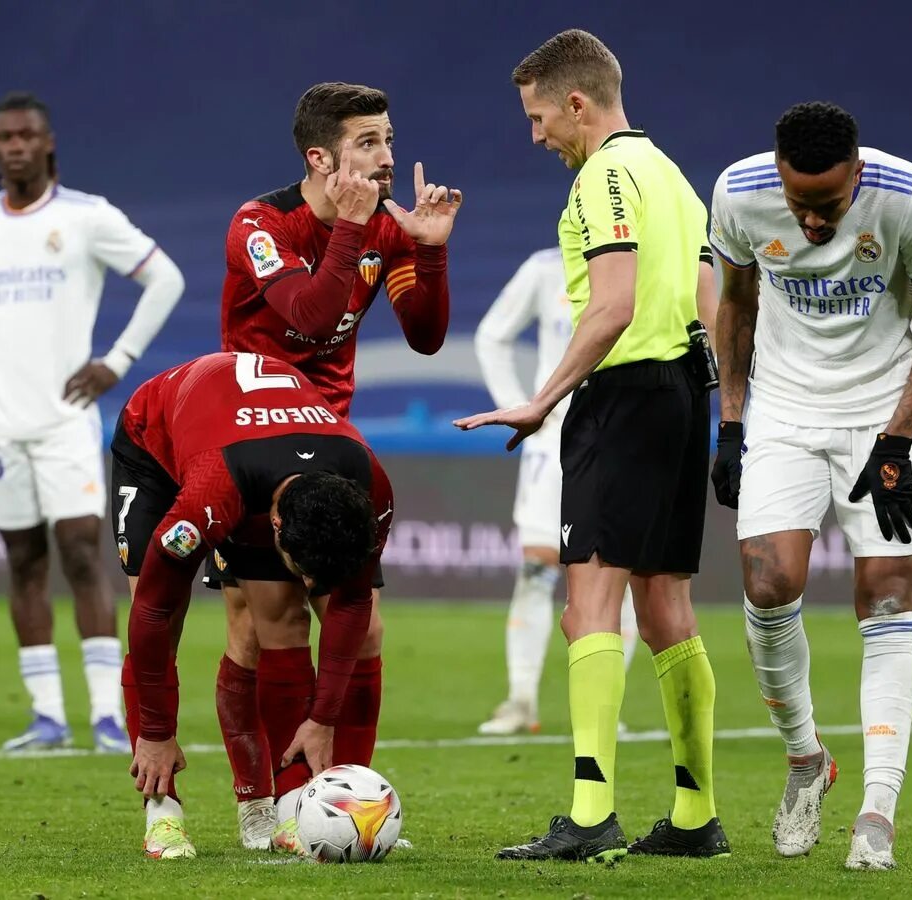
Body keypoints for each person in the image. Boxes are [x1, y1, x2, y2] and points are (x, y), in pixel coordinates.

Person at [456, 29, 728, 861]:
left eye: (539, 117)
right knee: (666, 607)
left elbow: (609, 307)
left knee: (587, 606)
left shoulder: (605, 176)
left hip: (625, 395)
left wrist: (543, 400)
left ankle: (588, 813)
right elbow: (711, 296)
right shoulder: (673, 177)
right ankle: (694, 817)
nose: (536, 135)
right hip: (684, 392)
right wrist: (717, 407)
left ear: (577, 103)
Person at [708, 101, 912, 871]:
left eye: (828, 207)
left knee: (886, 594)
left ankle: (878, 813)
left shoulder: (908, 196)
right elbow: (735, 305)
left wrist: (895, 438)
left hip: (881, 407)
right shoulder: (738, 192)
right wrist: (731, 423)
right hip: (785, 409)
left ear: (857, 175)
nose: (814, 225)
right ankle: (804, 760)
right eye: (800, 207)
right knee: (767, 582)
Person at [206, 81, 461, 850]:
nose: (387, 159)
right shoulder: (259, 225)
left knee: (365, 628)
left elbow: (424, 335)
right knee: (268, 624)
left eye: (387, 140)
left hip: (330, 441)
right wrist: (356, 231)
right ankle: (282, 808)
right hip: (251, 441)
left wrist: (430, 248)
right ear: (319, 157)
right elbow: (313, 314)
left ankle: (348, 805)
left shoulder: (383, 225)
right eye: (368, 144)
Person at [0, 91, 184, 753]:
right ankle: (46, 717)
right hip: (0, 425)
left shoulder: (87, 218)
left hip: (66, 421)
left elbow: (166, 279)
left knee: (83, 556)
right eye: (4, 136)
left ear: (48, 144)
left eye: (26, 136)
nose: (14, 146)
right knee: (23, 562)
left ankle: (106, 716)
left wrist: (116, 361)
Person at [112, 351, 393, 859]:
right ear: (276, 528)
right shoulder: (211, 495)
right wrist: (156, 733)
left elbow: (352, 599)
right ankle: (163, 814)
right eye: (302, 568)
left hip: (256, 446)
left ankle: (301, 808)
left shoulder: (369, 484)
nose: (306, 583)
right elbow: (152, 609)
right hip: (156, 440)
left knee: (285, 619)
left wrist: (323, 716)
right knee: (163, 616)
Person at [474, 247, 637, 736]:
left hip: (626, 437)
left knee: (620, 568)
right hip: (556, 439)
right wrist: (521, 407)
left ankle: (605, 707)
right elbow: (492, 335)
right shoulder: (546, 267)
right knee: (538, 564)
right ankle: (521, 699)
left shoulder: (645, 262)